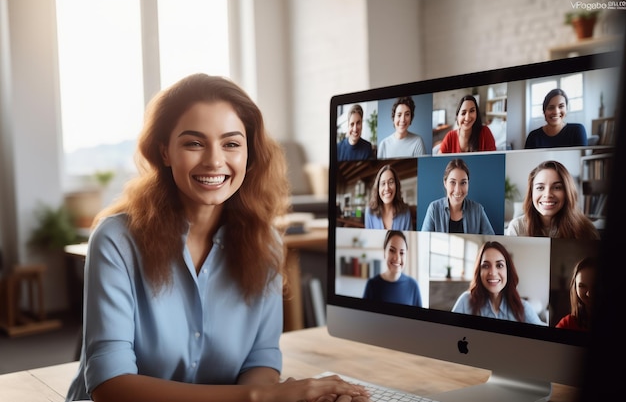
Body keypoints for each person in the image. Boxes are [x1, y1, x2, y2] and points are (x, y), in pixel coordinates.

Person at [65, 74, 369, 402]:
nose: (214, 160)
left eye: (231, 144)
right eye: (194, 143)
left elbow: (261, 360)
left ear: (249, 154)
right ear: (164, 150)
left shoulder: (265, 242)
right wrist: (257, 398)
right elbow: (111, 386)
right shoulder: (115, 240)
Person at [451, 241, 546, 325]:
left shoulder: (524, 309)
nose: (492, 272)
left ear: (508, 271)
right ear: (479, 271)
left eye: (499, 265)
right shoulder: (465, 301)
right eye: (486, 266)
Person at [506, 160, 600, 239]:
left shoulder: (586, 229)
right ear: (531, 193)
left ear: (567, 192)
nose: (547, 195)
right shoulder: (517, 228)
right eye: (540, 188)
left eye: (557, 187)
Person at [420, 158, 495, 234]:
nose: (458, 190)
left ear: (468, 184)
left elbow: (491, 240)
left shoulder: (478, 210)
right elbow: (423, 242)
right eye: (452, 182)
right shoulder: (434, 209)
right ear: (445, 183)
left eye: (463, 183)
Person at [363, 230, 422, 306]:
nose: (397, 258)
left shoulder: (413, 286)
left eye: (401, 253)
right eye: (392, 250)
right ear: (384, 252)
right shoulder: (372, 285)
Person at [364, 164, 413, 230]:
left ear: (396, 186)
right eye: (383, 183)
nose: (387, 188)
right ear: (378, 188)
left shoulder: (405, 212)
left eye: (391, 182)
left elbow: (408, 239)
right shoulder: (369, 212)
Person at [556, 257, 596, 331]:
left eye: (595, 286)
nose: (589, 294)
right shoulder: (567, 324)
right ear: (575, 287)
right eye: (582, 286)